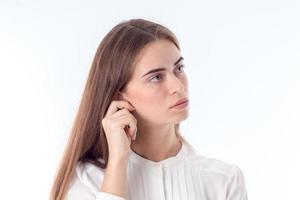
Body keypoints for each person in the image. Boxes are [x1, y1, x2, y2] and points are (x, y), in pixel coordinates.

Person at [50, 18, 248, 200]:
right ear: (118, 95)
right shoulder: (87, 180)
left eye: (178, 69)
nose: (178, 86)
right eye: (156, 77)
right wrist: (118, 162)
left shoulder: (224, 181)